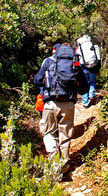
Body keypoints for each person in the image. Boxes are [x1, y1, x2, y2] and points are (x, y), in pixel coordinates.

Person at [34, 43, 89, 171]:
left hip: (50, 103)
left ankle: (54, 161)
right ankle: (64, 166)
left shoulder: (49, 62)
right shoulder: (76, 65)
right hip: (68, 104)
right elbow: (85, 88)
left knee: (48, 132)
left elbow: (37, 80)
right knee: (65, 135)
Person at [75, 35, 101, 108]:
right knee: (92, 81)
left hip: (83, 68)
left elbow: (77, 60)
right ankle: (91, 94)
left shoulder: (79, 48)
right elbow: (99, 59)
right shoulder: (95, 47)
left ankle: (86, 103)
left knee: (83, 84)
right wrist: (98, 69)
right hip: (94, 67)